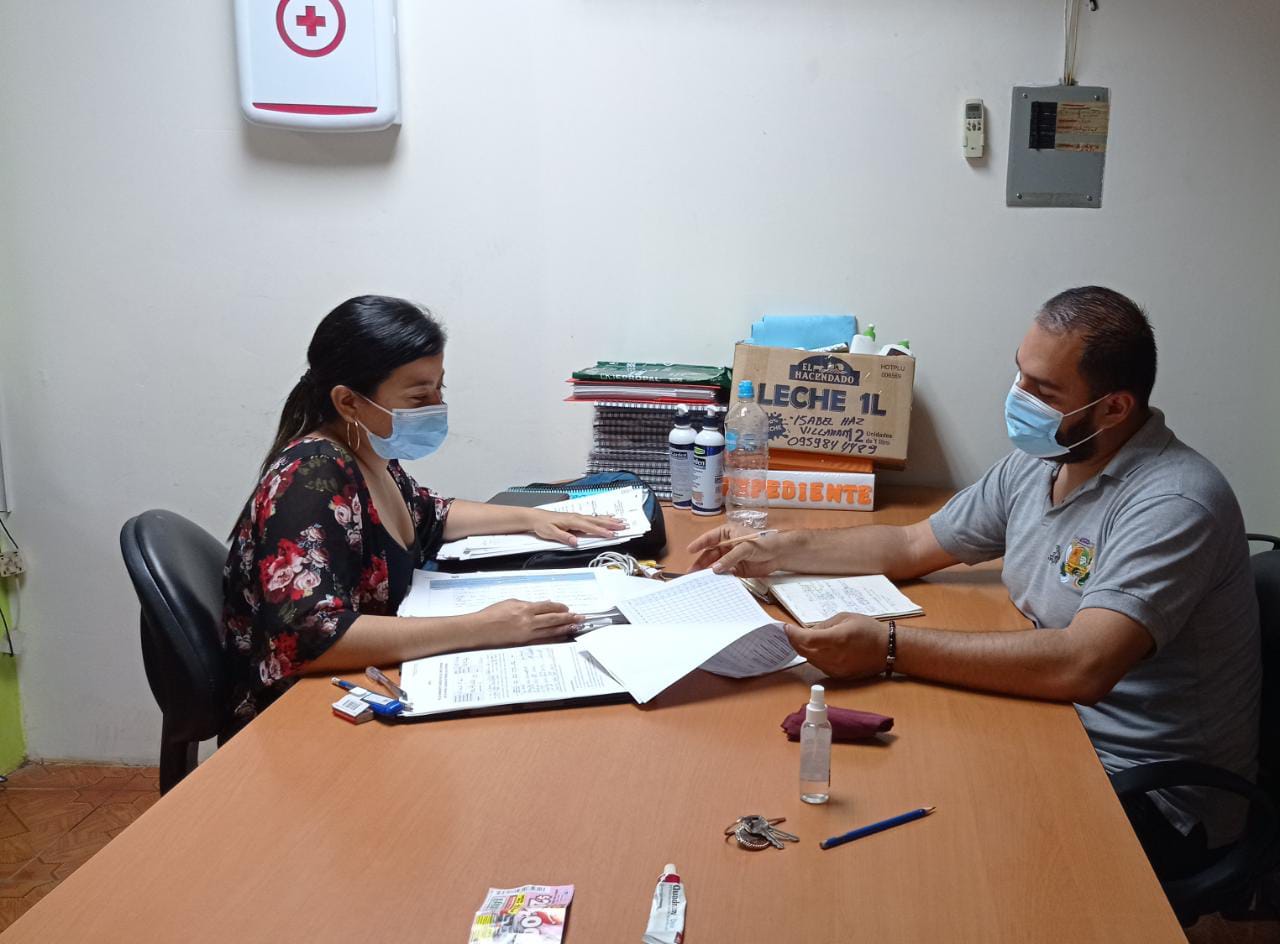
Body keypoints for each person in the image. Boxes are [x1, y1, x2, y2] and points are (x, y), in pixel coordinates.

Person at [689, 286, 1260, 878]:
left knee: (941, 860)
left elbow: (1082, 665)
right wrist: (776, 549)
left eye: (1044, 391)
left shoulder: (1174, 503)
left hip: (1146, 790)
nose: (1019, 399)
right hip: (1049, 723)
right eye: (1020, 375)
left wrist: (888, 647)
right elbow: (913, 545)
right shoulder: (1043, 461)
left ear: (1114, 408)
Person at [222, 295, 624, 736]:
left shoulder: (369, 452)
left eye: (439, 389)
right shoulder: (311, 477)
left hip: (371, 676)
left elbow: (431, 514)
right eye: (418, 396)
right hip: (302, 717)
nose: (436, 406)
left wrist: (531, 518)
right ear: (349, 402)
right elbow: (312, 636)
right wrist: (481, 628)